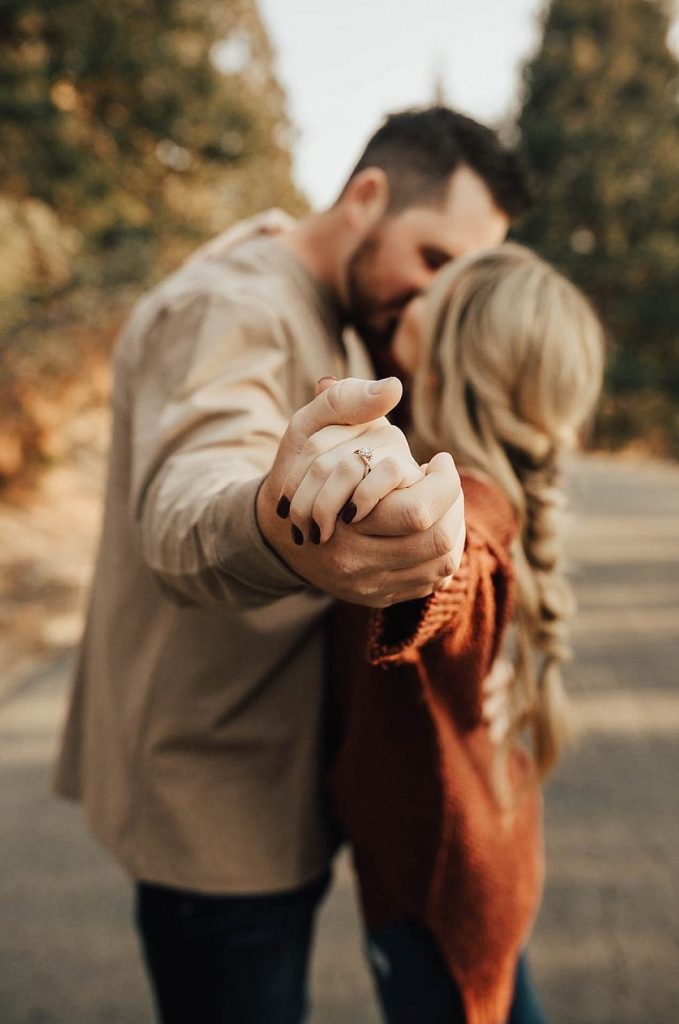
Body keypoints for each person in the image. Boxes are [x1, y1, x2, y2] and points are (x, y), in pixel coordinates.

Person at [53, 107, 531, 1023]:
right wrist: (280, 526)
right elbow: (186, 501)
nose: (432, 301)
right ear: (366, 197)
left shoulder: (332, 309)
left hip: (282, 787)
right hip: (220, 819)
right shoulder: (232, 305)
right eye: (431, 260)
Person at [281, 243, 604, 1023]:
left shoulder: (472, 503)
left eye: (438, 288)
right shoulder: (495, 484)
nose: (414, 293)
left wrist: (431, 552)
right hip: (479, 864)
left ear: (457, 350)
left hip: (438, 899)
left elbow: (461, 558)